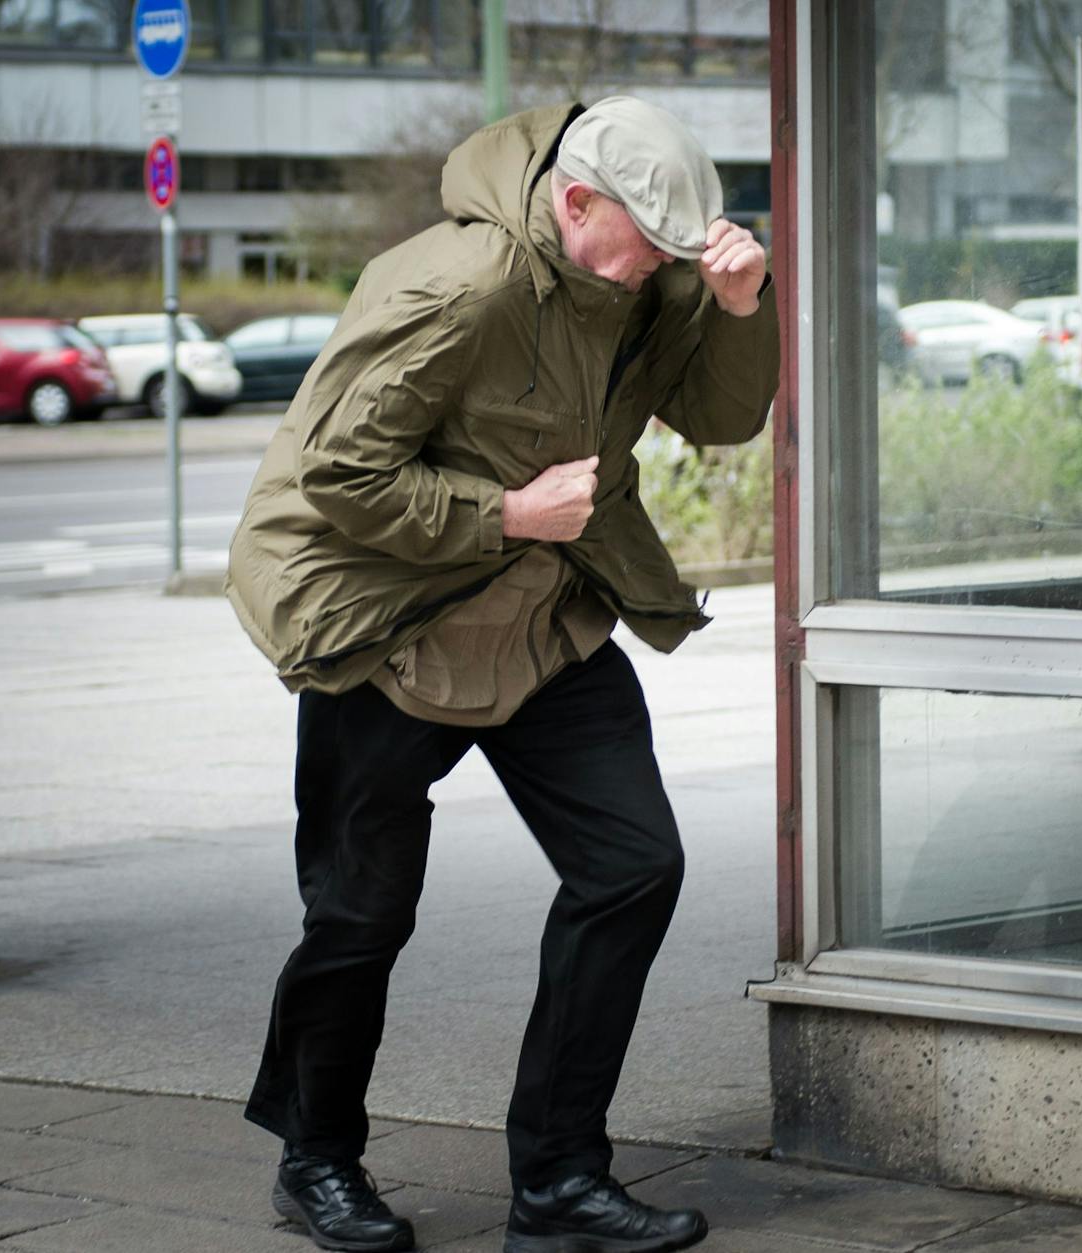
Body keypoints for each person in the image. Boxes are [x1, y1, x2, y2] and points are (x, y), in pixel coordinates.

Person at [225, 96, 778, 1253]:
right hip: (387, 623)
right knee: (361, 912)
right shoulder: (453, 289)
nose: (664, 269)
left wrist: (734, 309)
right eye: (651, 246)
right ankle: (315, 1158)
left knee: (632, 865)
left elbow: (721, 418)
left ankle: (560, 1180)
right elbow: (335, 476)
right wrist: (509, 511)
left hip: (543, 621)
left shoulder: (653, 271)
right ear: (577, 205)